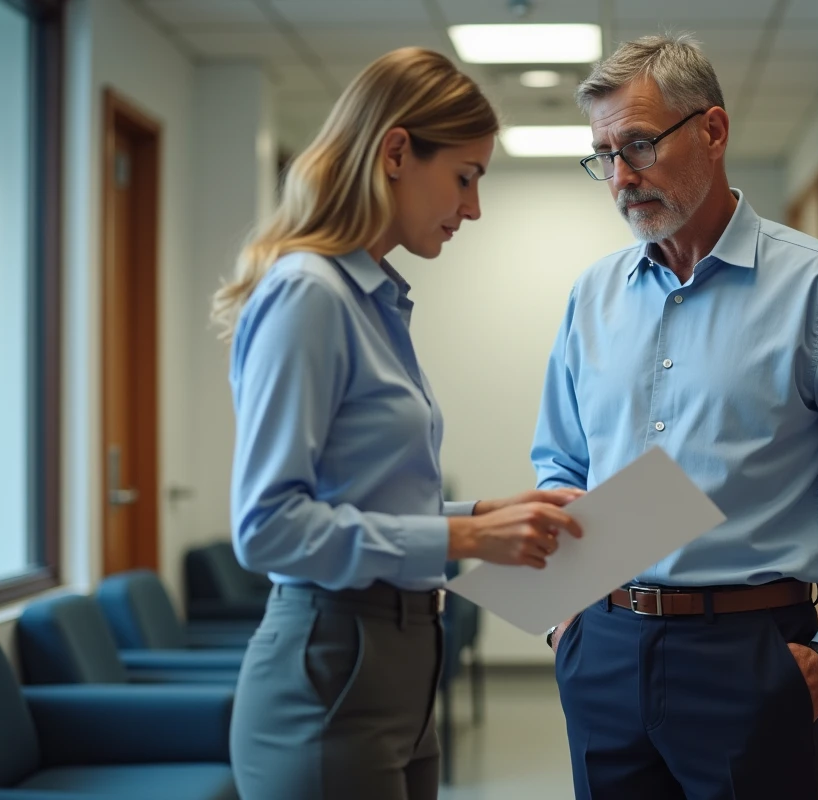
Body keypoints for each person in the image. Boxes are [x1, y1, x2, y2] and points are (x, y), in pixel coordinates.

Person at [534, 35, 818, 798]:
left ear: (713, 131)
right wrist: (567, 620)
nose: (621, 178)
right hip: (603, 646)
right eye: (603, 155)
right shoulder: (589, 299)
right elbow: (559, 464)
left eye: (639, 145)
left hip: (750, 654)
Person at [211, 47, 582, 800]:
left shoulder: (374, 302)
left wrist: (481, 513)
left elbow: (355, 494)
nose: (472, 208)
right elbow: (268, 527)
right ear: (395, 152)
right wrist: (463, 539)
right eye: (466, 177)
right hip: (332, 664)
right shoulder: (309, 295)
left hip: (407, 664)